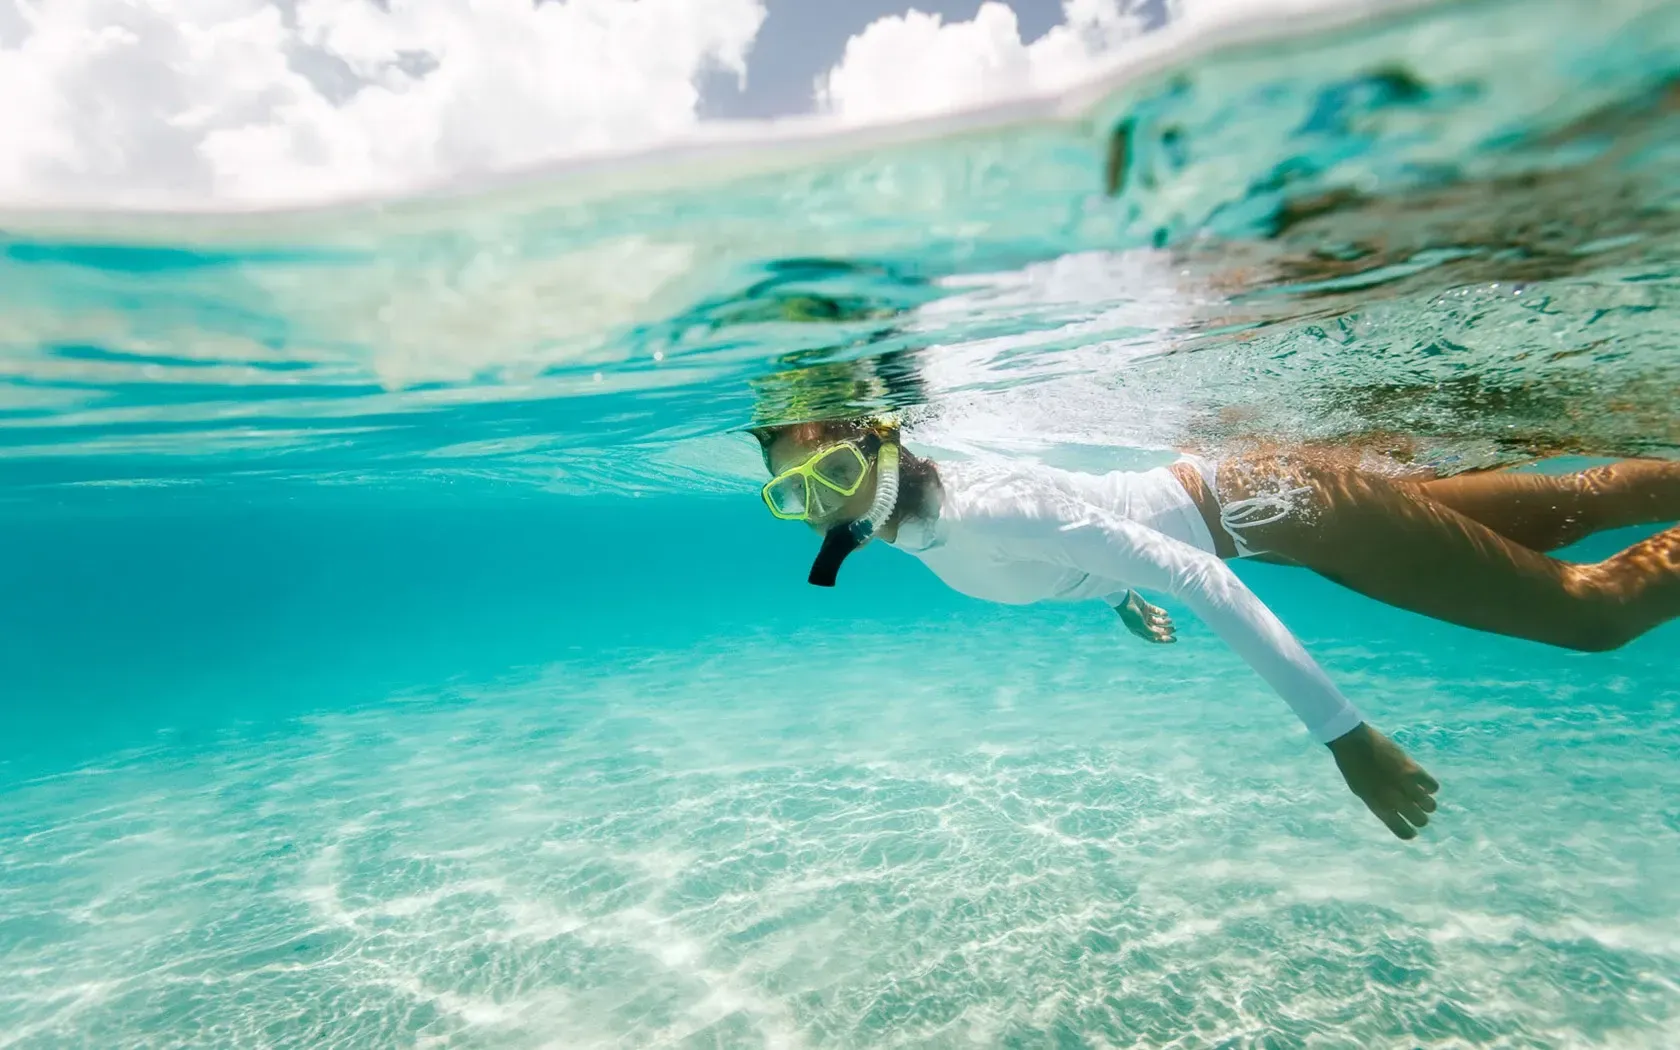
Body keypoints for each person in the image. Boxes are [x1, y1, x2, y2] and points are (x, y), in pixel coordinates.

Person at [749, 416, 1680, 841]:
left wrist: (1345, 737)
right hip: (1267, 504)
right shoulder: (932, 524)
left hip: (1279, 512)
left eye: (830, 473)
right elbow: (1096, 526)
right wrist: (1117, 593)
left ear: (883, 437)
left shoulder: (983, 509)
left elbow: (1188, 567)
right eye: (793, 497)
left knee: (1590, 613)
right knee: (1565, 506)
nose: (824, 510)